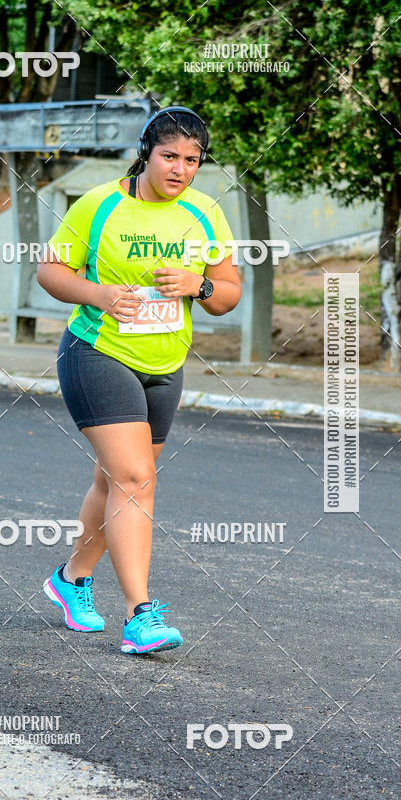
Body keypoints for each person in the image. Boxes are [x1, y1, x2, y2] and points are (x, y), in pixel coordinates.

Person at [37, 106, 242, 655]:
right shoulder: (99, 205)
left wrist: (197, 284)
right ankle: (140, 616)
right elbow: (50, 270)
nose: (180, 169)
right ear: (146, 153)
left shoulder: (204, 214)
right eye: (170, 156)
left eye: (192, 161)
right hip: (98, 351)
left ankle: (71, 579)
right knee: (135, 478)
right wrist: (99, 294)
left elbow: (228, 294)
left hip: (164, 366)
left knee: (113, 483)